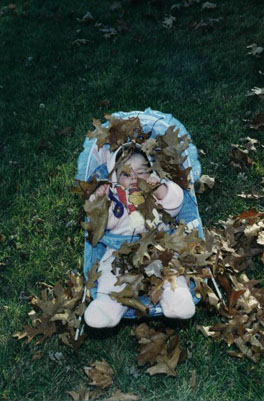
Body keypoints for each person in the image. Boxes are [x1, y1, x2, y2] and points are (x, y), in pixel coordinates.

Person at [84, 146, 195, 328]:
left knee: (169, 267)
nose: (135, 178)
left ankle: (177, 296)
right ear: (115, 179)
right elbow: (104, 223)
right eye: (126, 175)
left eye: (142, 172)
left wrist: (161, 190)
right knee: (112, 272)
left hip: (156, 246)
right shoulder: (115, 197)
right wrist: (98, 200)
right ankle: (108, 306)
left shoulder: (156, 189)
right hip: (122, 250)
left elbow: (175, 205)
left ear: (151, 172)